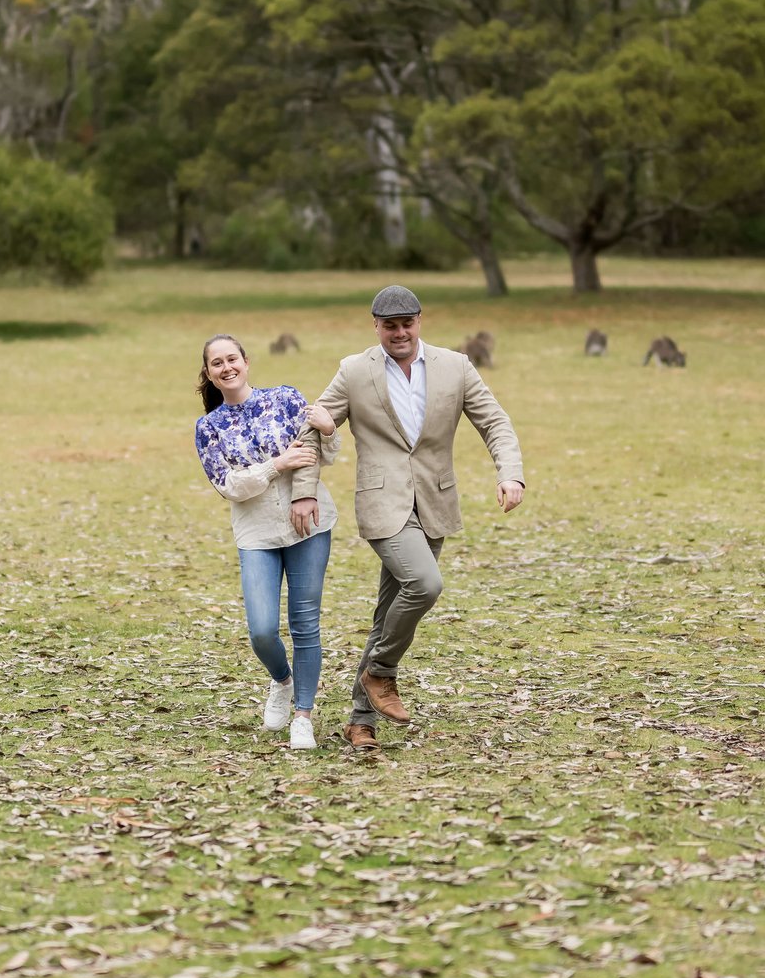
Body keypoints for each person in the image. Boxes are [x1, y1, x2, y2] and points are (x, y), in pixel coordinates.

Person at [306, 286, 523, 749]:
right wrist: (303, 493)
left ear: (420, 321)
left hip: (434, 503)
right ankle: (380, 672)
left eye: (407, 323)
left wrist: (512, 475)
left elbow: (495, 422)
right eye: (390, 326)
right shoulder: (353, 371)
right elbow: (312, 430)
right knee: (425, 585)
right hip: (383, 504)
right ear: (376, 326)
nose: (399, 333)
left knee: (388, 613)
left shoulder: (455, 366)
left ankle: (360, 721)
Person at [193, 335, 340, 751]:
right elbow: (230, 486)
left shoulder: (286, 399)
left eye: (232, 359)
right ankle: (282, 681)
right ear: (209, 373)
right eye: (216, 363)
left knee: (305, 622)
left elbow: (320, 454)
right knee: (261, 630)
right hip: (256, 533)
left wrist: (328, 432)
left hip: (308, 523)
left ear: (246, 361)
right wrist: (277, 464)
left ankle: (304, 717)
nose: (227, 367)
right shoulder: (208, 428)